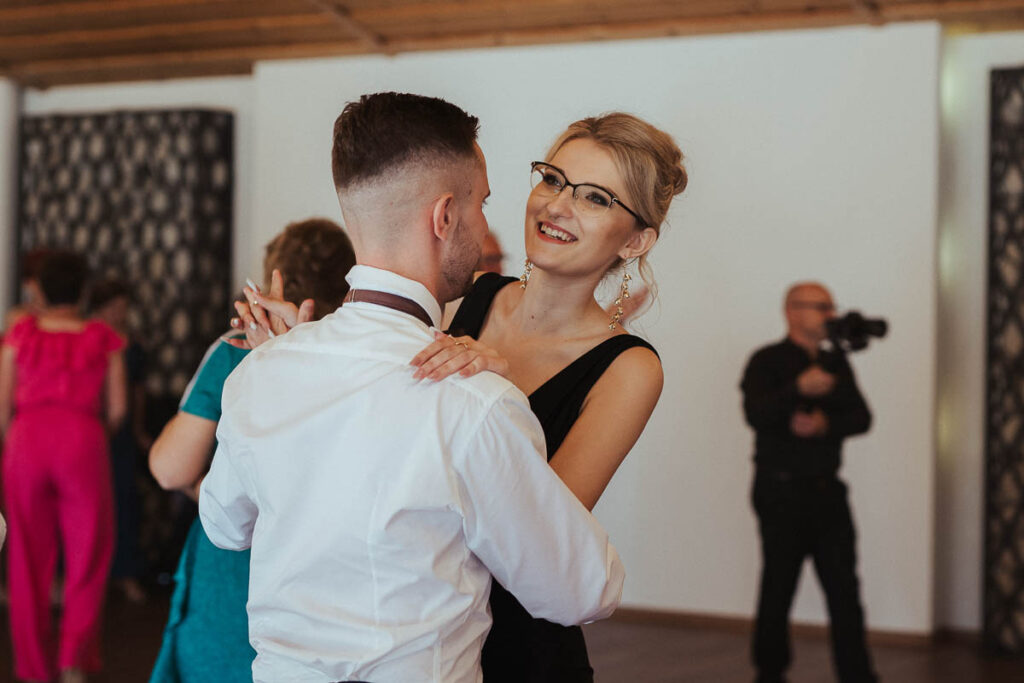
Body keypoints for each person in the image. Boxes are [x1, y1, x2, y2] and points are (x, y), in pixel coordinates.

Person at [200, 92, 625, 683]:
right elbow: (582, 590)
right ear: (444, 217)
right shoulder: (472, 401)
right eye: (481, 203)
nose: (485, 226)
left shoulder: (262, 372)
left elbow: (224, 526)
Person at [408, 112, 686, 682]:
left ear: (635, 240)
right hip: (419, 632)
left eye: (595, 198)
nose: (557, 206)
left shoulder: (630, 368)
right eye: (553, 180)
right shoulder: (463, 296)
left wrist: (494, 389)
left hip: (519, 651)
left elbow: (538, 534)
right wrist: (300, 351)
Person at [147, 218, 355, 683]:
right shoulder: (358, 349)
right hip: (327, 570)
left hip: (233, 568)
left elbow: (169, 468)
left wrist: (213, 489)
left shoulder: (238, 348)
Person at [740, 282, 878, 683]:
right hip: (779, 490)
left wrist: (824, 424)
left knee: (844, 589)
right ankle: (769, 673)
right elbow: (756, 414)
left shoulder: (837, 364)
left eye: (831, 307)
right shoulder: (766, 361)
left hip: (827, 490)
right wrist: (797, 390)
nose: (830, 314)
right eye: (821, 306)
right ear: (792, 311)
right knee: (778, 584)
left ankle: (857, 675)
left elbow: (862, 418)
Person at [1, 250, 127, 683]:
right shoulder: (103, 337)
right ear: (84, 291)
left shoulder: (20, 334)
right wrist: (88, 435)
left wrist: (19, 439)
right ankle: (74, 661)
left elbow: (2, 406)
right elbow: (117, 409)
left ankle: (33, 669)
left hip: (26, 440)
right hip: (82, 440)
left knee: (26, 560)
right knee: (88, 553)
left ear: (38, 290)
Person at [87, 278, 150, 604]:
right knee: (88, 506)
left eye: (123, 308)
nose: (119, 314)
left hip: (122, 433)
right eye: (113, 308)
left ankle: (126, 574)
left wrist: (138, 430)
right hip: (90, 426)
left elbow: (137, 393)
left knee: (125, 502)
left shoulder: (132, 341)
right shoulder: (87, 337)